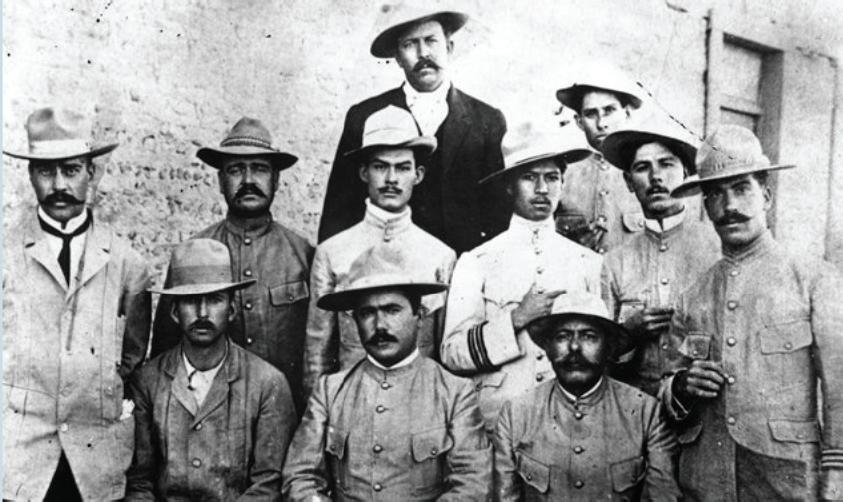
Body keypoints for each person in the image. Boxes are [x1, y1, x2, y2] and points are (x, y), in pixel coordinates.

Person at [662, 125, 843, 501]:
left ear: (767, 196)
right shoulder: (692, 297)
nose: (729, 205)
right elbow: (665, 386)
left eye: (742, 188)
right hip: (705, 480)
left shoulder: (813, 279)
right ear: (706, 207)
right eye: (715, 194)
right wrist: (681, 385)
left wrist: (837, 469)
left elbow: (839, 386)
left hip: (787, 479)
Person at [3, 107, 151, 501]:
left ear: (91, 172)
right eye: (45, 172)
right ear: (30, 174)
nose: (58, 186)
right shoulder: (6, 256)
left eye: (70, 171)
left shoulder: (127, 263)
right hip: (21, 464)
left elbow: (133, 357)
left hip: (96, 464)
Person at [283, 245, 492, 501]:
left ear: (419, 316)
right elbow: (300, 477)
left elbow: (472, 485)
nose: (380, 325)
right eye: (367, 313)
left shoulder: (455, 393)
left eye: (392, 310)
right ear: (355, 321)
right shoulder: (330, 391)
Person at [440, 121, 602, 430]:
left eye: (551, 177)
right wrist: (515, 319)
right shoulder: (477, 261)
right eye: (529, 177)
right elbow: (452, 353)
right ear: (509, 185)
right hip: (498, 421)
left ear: (563, 183)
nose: (542, 189)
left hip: (569, 422)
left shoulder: (588, 263)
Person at [151, 117, 313, 413]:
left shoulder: (303, 255)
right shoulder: (193, 255)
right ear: (220, 181)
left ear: (276, 180)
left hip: (287, 417)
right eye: (236, 170)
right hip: (211, 419)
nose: (248, 180)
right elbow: (164, 354)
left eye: (260, 169)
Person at [318, 3, 509, 254]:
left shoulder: (487, 120)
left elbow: (498, 215)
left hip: (461, 265)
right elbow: (339, 211)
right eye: (410, 44)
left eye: (431, 41)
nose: (423, 53)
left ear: (449, 48)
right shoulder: (365, 116)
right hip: (383, 263)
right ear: (397, 57)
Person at [126, 239, 296, 501]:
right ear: (174, 312)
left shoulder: (268, 384)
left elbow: (268, 485)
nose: (203, 313)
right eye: (190, 301)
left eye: (215, 300)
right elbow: (139, 483)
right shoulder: (148, 382)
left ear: (231, 310)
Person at [303, 105, 456, 396]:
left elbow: (444, 354)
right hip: (351, 404)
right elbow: (317, 355)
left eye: (403, 168)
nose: (391, 179)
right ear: (364, 172)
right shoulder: (332, 252)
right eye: (380, 166)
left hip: (420, 403)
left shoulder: (440, 255)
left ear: (418, 175)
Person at [493, 292, 680, 501]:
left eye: (589, 336)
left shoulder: (647, 413)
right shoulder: (516, 414)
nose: (574, 347)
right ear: (547, 348)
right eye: (562, 336)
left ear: (608, 347)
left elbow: (662, 495)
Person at [598, 120, 719, 395]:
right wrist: (628, 333)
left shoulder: (717, 249)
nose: (656, 177)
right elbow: (599, 358)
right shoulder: (615, 263)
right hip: (635, 410)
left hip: (703, 409)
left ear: (686, 172)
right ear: (629, 182)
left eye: (666, 164)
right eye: (642, 167)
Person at [554, 63, 645, 254]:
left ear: (627, 113)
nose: (601, 123)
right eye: (590, 114)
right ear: (579, 122)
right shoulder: (561, 174)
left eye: (609, 110)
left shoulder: (647, 172)